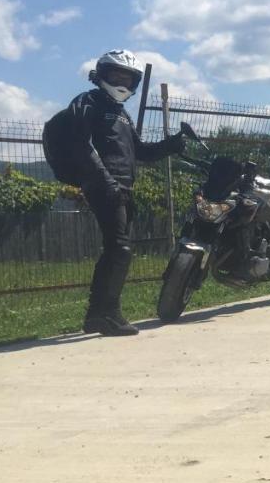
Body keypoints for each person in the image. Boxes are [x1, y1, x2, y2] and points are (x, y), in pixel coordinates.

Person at [65, 50, 184, 335]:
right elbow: (79, 143)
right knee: (120, 249)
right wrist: (106, 183)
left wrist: (171, 145)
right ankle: (106, 314)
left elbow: (141, 151)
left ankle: (98, 314)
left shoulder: (122, 114)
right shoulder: (88, 102)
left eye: (128, 77)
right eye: (116, 75)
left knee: (116, 250)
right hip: (104, 185)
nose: (122, 81)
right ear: (102, 75)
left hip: (122, 188)